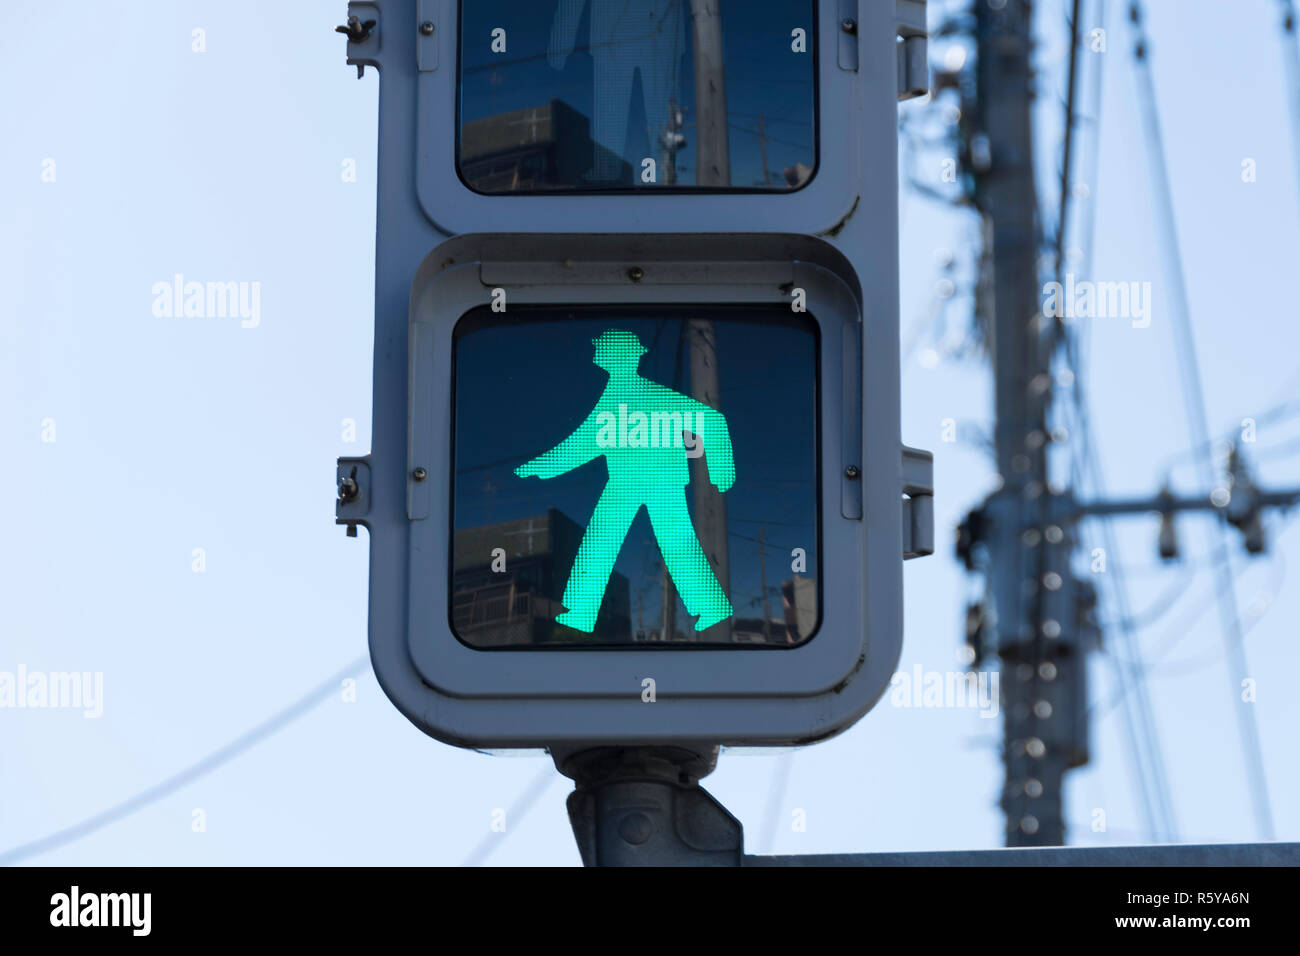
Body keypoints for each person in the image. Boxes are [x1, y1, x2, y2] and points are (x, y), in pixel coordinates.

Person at [516, 328, 734, 633]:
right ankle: (579, 612)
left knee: (670, 545)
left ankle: (709, 607)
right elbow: (579, 445)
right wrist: (541, 465)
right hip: (626, 482)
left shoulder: (648, 397)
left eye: (602, 347)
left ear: (618, 356)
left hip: (661, 482)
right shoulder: (613, 401)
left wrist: (722, 472)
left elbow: (712, 420)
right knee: (602, 543)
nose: (598, 351)